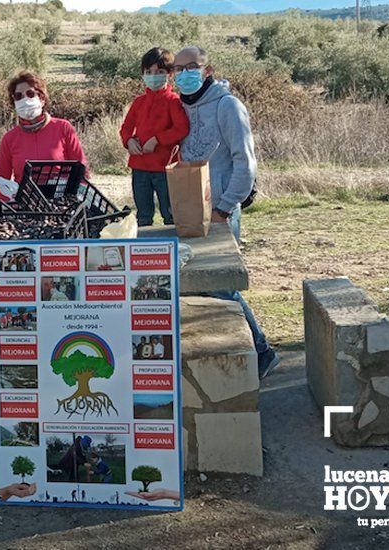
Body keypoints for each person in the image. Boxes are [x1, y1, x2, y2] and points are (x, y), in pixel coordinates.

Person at [172, 46, 279, 378]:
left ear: (207, 69)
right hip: (191, 211)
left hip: (220, 211)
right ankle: (232, 357)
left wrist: (224, 207)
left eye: (192, 66)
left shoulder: (228, 106)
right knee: (203, 287)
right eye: (178, 69)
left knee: (221, 285)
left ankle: (260, 352)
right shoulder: (179, 108)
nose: (184, 73)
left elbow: (245, 164)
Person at [120, 47, 190, 227]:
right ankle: (144, 252)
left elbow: (181, 128)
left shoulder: (174, 101)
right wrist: (128, 141)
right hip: (140, 166)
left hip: (165, 168)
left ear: (169, 74)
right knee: (143, 215)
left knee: (170, 214)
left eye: (159, 72)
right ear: (142, 74)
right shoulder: (139, 102)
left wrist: (157, 139)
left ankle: (175, 249)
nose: (153, 76)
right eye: (148, 72)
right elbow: (126, 128)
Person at [0, 71, 89, 202]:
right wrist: (11, 199)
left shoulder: (63, 128)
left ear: (42, 99)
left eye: (30, 94)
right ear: (14, 102)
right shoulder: (9, 139)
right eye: (18, 96)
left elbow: (81, 170)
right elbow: (1, 181)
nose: (25, 99)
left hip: (61, 202)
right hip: (24, 205)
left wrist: (78, 198)